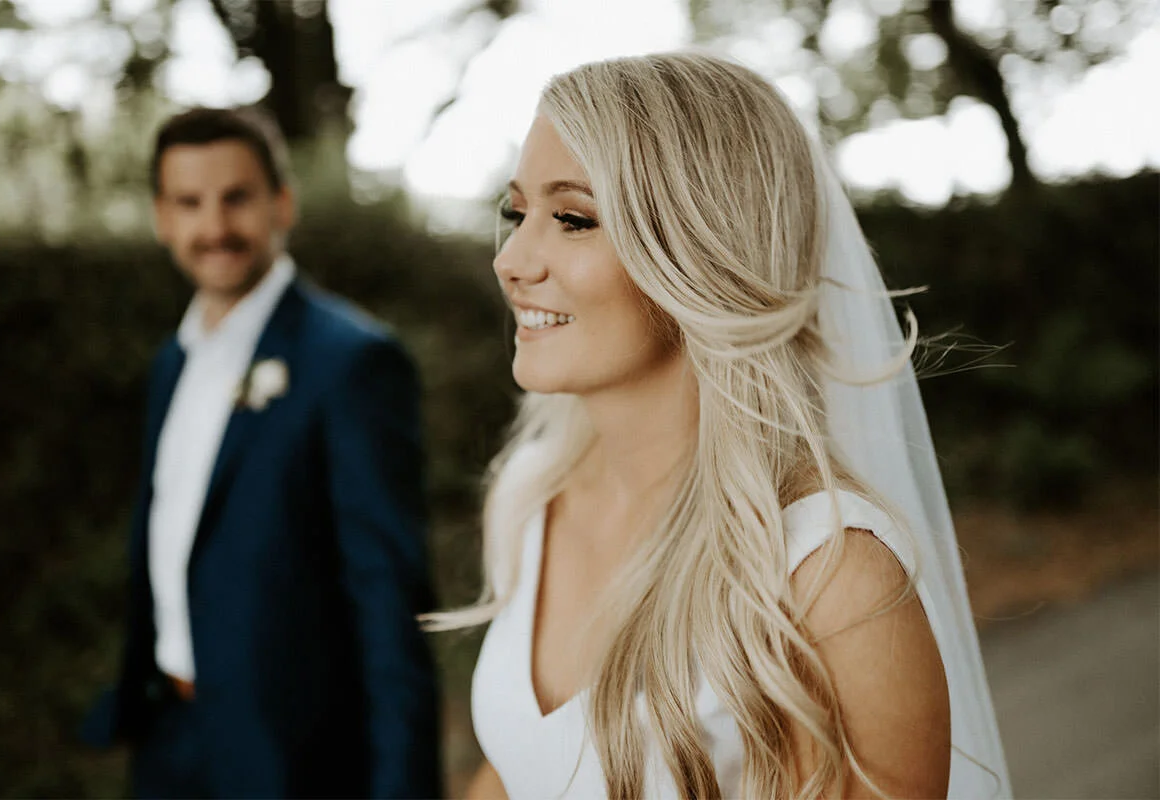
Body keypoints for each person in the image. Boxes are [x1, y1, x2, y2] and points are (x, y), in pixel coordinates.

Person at [423, 52, 1011, 799]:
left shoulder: (828, 575)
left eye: (572, 218)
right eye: (516, 213)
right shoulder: (531, 496)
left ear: (699, 251)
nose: (511, 259)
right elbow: (522, 769)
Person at [82, 106, 441, 799]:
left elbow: (388, 602)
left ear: (282, 202)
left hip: (292, 757)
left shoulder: (353, 362)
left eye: (237, 198)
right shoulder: (171, 362)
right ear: (162, 216)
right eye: (189, 202)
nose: (214, 227)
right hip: (167, 741)